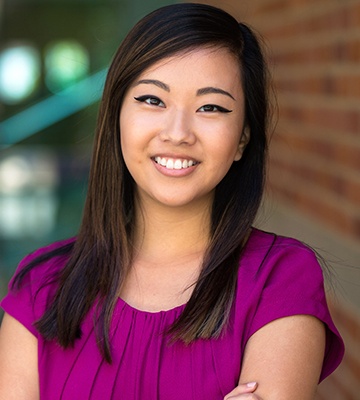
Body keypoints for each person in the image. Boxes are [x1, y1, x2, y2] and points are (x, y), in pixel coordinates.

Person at [0, 3, 344, 399]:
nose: (178, 132)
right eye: (152, 100)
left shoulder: (279, 279)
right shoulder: (39, 288)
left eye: (210, 107)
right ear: (116, 116)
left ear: (242, 139)